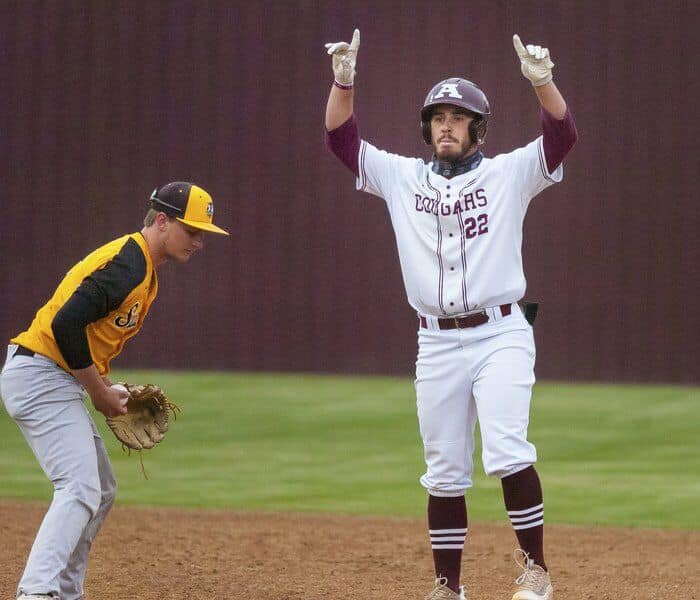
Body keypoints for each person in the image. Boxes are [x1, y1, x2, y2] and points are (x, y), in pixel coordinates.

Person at [324, 30, 577, 600]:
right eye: (438, 116)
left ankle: (536, 571)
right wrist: (344, 81)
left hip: (501, 332)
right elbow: (341, 140)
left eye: (458, 117)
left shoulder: (508, 173)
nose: (446, 125)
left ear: (477, 129)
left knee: (508, 450)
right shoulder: (401, 177)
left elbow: (562, 137)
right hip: (435, 341)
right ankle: (448, 586)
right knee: (443, 470)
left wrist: (543, 82)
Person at [0, 182, 229, 600]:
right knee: (79, 486)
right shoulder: (128, 265)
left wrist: (104, 387)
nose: (199, 241)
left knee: (101, 488)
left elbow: (83, 335)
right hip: (39, 375)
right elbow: (63, 326)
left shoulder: (142, 269)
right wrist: (99, 395)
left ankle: (65, 591)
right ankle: (36, 592)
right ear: (162, 221)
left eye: (203, 234)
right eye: (191, 230)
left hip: (54, 375)